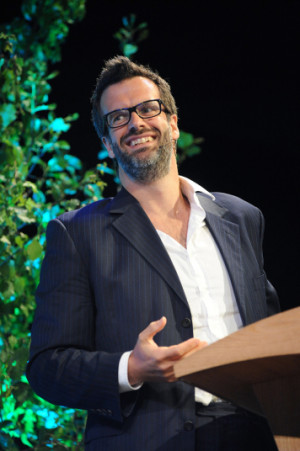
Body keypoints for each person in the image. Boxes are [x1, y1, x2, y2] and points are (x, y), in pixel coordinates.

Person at [26, 56, 280, 450]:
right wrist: (132, 367)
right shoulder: (76, 234)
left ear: (173, 124)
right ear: (108, 144)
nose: (136, 123)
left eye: (147, 109)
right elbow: (47, 368)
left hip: (255, 435)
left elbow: (270, 333)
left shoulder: (241, 217)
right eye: (118, 118)